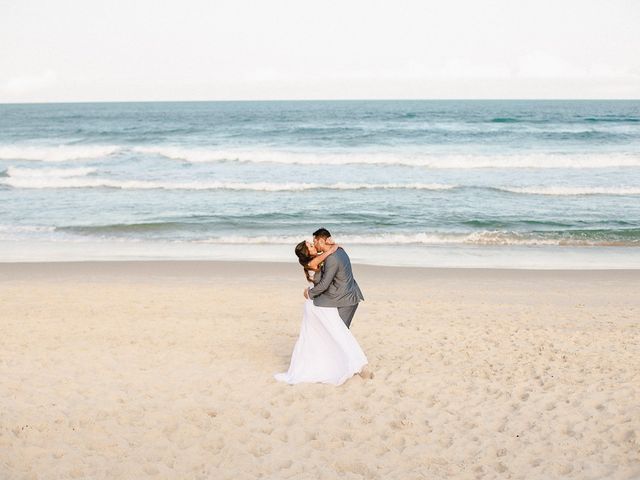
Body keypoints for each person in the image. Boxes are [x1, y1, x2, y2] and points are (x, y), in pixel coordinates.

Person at [274, 232, 371, 385]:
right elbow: (329, 255)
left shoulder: (318, 257)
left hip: (322, 302)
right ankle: (350, 365)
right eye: (311, 245)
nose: (314, 246)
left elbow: (328, 255)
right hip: (317, 303)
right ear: (308, 252)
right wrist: (333, 247)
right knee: (334, 333)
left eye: (314, 243)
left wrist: (332, 245)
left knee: (330, 334)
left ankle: (345, 363)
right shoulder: (311, 263)